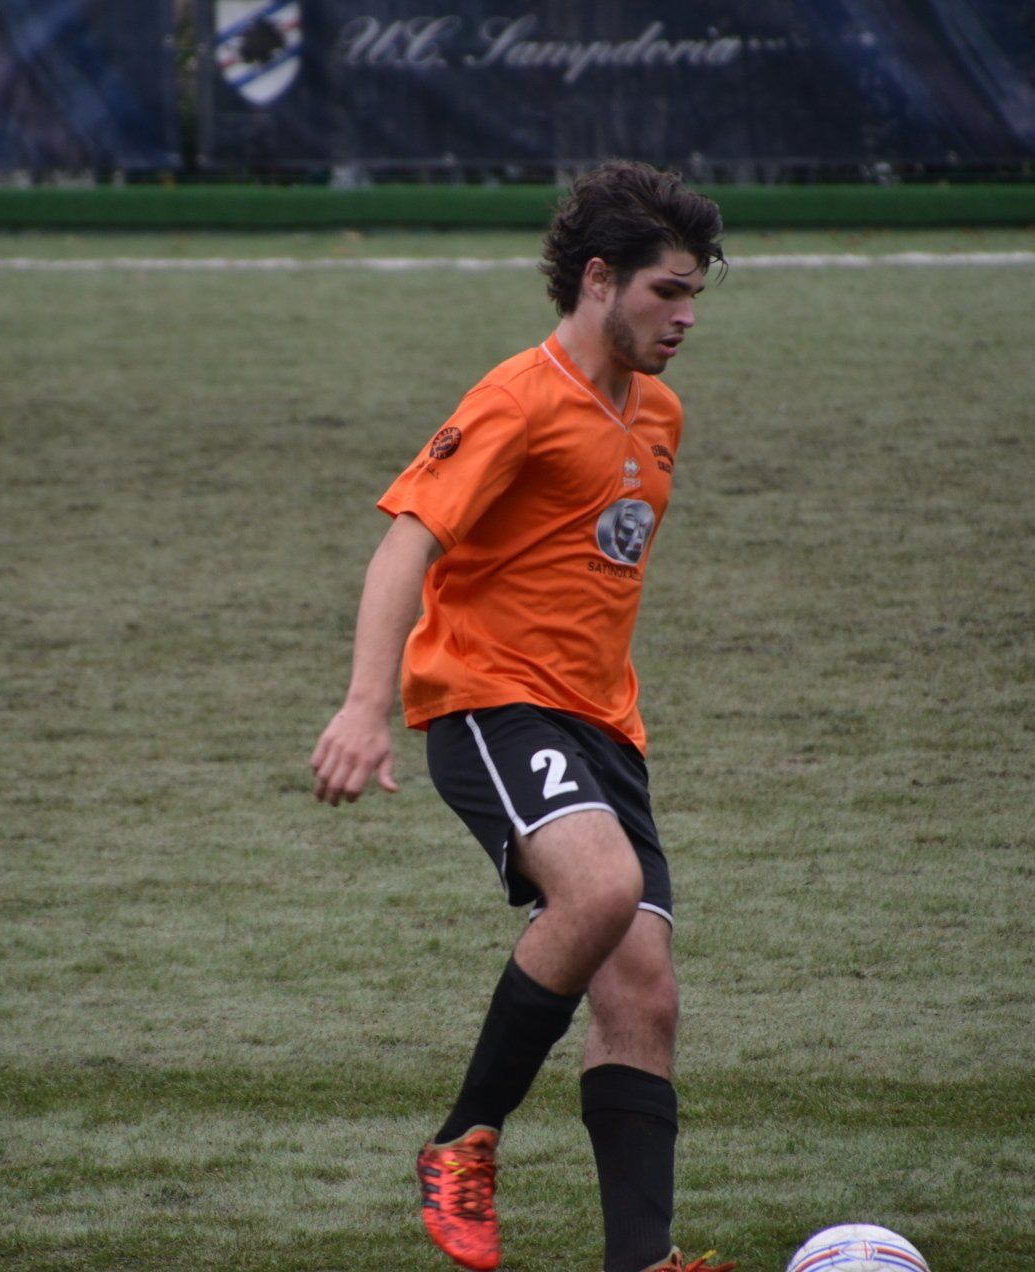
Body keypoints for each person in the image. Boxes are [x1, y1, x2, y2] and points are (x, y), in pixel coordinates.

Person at [309, 159, 733, 1272]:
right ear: (598, 279)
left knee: (644, 995)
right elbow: (405, 545)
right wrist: (364, 707)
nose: (686, 317)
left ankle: (643, 1260)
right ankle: (463, 1140)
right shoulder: (517, 399)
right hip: (491, 704)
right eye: (666, 292)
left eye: (695, 295)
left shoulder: (660, 414)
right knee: (600, 888)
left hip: (606, 729)